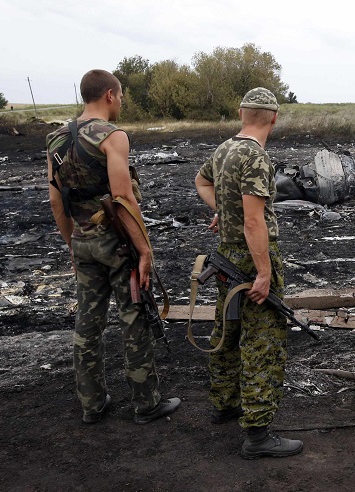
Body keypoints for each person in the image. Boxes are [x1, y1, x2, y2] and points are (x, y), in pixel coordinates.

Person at [47, 69, 181, 424]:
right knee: (133, 316)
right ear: (109, 94)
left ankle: (92, 404)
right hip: (118, 243)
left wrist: (72, 245)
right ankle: (146, 403)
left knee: (87, 324)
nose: (121, 102)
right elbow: (122, 197)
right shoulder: (112, 136)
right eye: (120, 96)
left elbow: (57, 203)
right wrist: (145, 250)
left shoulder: (56, 140)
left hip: (83, 242)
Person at [194, 87, 302, 460]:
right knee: (263, 342)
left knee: (227, 329)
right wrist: (264, 272)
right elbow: (254, 221)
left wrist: (224, 212)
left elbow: (202, 182)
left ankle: (224, 403)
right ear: (274, 117)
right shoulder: (256, 157)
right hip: (248, 258)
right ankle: (257, 434)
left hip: (225, 257)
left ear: (242, 113)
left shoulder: (225, 149)